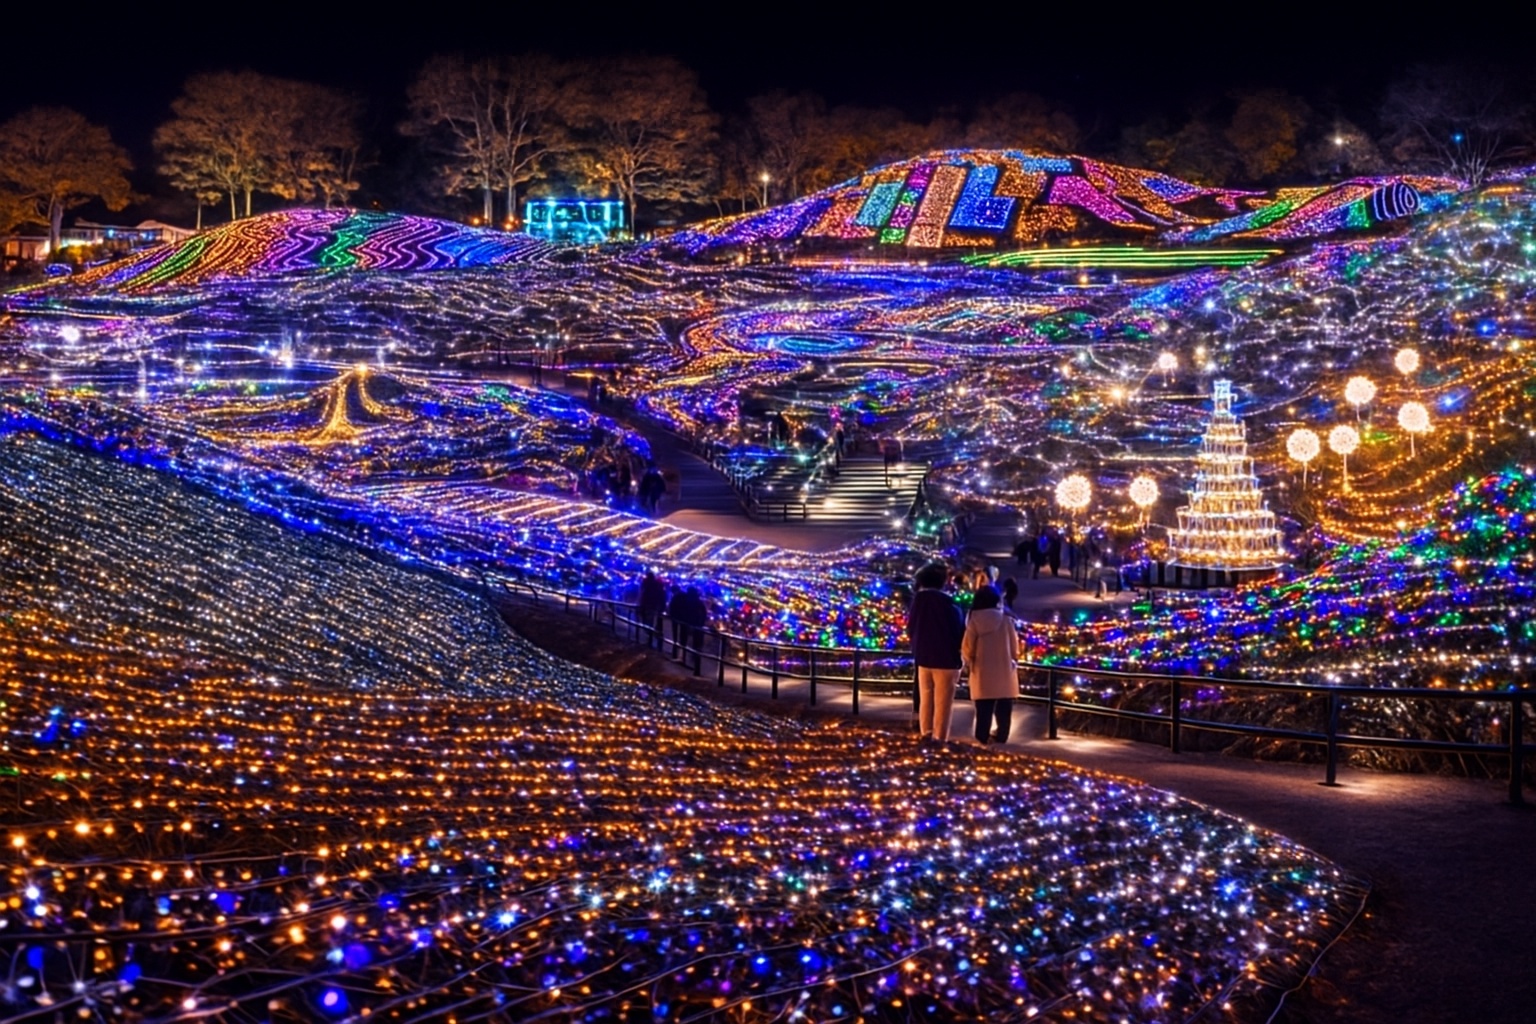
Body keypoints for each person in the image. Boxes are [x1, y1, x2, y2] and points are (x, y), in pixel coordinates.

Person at [907, 562, 965, 743]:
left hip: (923, 658)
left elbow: (911, 628)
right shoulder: (949, 604)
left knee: (926, 699)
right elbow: (958, 630)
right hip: (946, 660)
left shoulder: (917, 601)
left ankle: (926, 733)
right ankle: (940, 739)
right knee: (943, 703)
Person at [961, 586, 1021, 744]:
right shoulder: (1007, 620)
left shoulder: (973, 621)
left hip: (982, 670)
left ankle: (981, 738)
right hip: (1004, 669)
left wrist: (969, 662)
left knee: (983, 709)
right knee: (1004, 708)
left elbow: (967, 648)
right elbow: (1015, 648)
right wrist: (1014, 658)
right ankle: (1002, 736)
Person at [636, 570, 667, 649]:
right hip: (654, 606)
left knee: (647, 621)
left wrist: (640, 604)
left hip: (647, 605)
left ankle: (650, 637)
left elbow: (642, 595)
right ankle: (653, 636)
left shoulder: (645, 584)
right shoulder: (658, 585)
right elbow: (662, 596)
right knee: (651, 621)